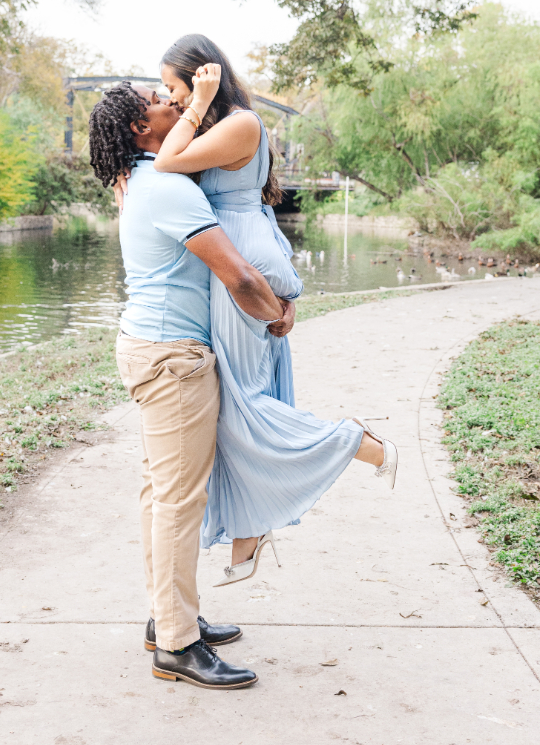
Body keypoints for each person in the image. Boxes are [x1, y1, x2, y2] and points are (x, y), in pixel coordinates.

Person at [116, 34, 398, 587]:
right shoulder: (208, 129)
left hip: (242, 255)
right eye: (168, 95)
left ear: (203, 75)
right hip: (236, 250)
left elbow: (168, 160)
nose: (172, 101)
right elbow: (162, 166)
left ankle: (358, 443)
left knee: (243, 403)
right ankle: (250, 532)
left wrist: (197, 103)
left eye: (175, 87)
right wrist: (129, 169)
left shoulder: (239, 122)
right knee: (238, 406)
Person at [88, 82, 295, 690]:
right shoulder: (168, 187)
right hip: (174, 359)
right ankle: (177, 646)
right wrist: (277, 313)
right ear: (137, 128)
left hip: (150, 347)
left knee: (162, 495)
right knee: (180, 502)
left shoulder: (146, 184)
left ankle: (168, 619)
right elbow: (237, 274)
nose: (166, 98)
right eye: (154, 98)